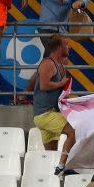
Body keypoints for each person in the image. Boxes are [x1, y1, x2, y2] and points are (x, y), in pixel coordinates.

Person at [30, 35, 76, 175]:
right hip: (45, 114)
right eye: (66, 44)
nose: (69, 47)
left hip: (48, 113)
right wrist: (61, 83)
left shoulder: (60, 64)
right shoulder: (47, 63)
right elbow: (44, 85)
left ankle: (53, 176)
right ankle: (63, 166)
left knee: (51, 156)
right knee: (73, 132)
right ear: (58, 47)